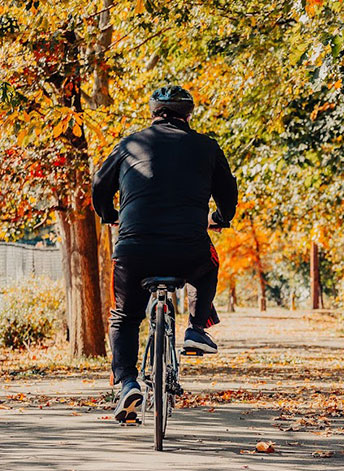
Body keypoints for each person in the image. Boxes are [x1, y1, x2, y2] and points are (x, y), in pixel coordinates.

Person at [92, 85, 238, 423]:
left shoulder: (130, 144)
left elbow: (100, 184)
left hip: (134, 249)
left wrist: (109, 215)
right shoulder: (207, 146)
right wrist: (219, 219)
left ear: (154, 114)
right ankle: (196, 329)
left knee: (125, 317)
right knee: (207, 264)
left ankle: (127, 381)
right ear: (189, 116)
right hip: (188, 248)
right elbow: (228, 193)